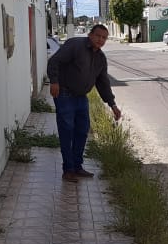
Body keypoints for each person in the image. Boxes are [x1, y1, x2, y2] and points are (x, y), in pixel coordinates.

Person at [46, 23, 122, 182]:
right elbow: (54, 62)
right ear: (90, 35)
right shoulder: (76, 45)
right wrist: (54, 82)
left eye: (104, 38)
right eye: (98, 36)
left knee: (82, 131)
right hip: (64, 94)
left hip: (81, 98)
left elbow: (103, 83)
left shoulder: (100, 58)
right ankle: (68, 170)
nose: (101, 40)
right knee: (67, 130)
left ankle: (77, 167)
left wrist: (112, 104)